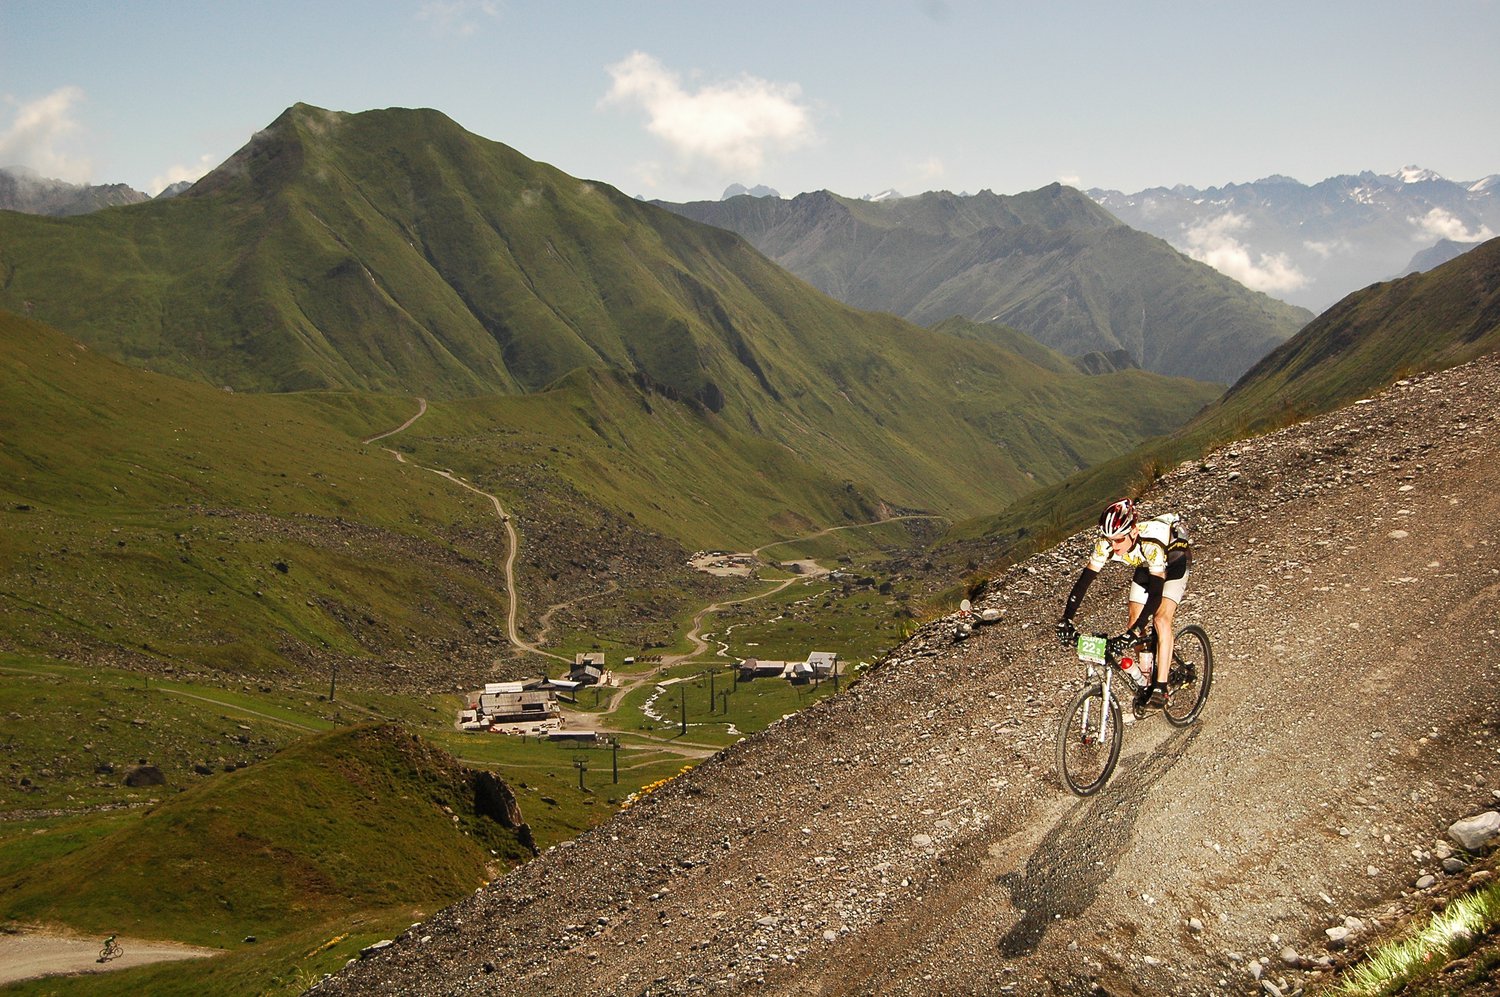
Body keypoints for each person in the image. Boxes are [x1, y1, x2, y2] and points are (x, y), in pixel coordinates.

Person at [1056, 498, 1191, 710]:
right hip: (1146, 564)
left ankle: (1161, 687)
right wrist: (1067, 618)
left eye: (1119, 540)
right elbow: (1083, 583)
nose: (1113, 546)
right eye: (1109, 539)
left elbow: (1156, 595)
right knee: (1133, 620)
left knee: (1160, 619)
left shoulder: (1151, 545)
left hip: (1174, 560)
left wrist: (1136, 631)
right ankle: (1145, 677)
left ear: (1133, 532)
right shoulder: (1105, 545)